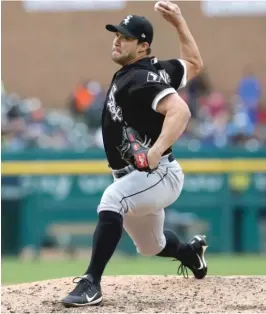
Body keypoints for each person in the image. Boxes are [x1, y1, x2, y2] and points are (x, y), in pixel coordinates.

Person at [61, 1, 207, 308]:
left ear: (143, 46)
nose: (116, 39)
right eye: (116, 34)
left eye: (125, 37)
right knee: (152, 246)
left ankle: (91, 282)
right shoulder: (153, 70)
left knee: (112, 200)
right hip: (141, 178)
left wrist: (153, 152)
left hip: (156, 174)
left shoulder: (140, 79)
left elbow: (180, 111)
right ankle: (190, 253)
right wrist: (180, 23)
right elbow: (194, 64)